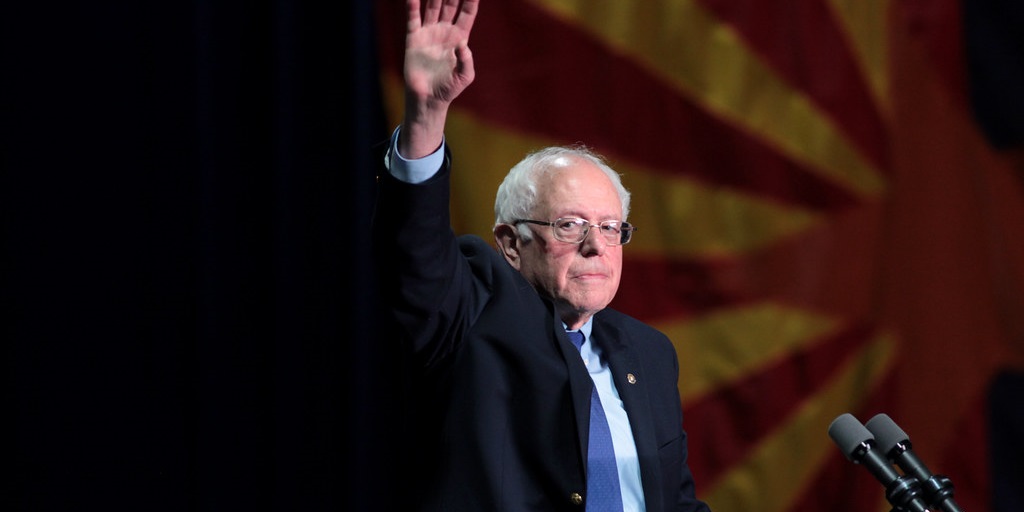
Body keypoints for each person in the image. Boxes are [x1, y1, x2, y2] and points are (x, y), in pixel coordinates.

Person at [371, 0, 711, 510]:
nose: (596, 245)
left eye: (610, 227)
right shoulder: (470, 315)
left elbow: (675, 501)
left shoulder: (649, 353)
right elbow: (415, 252)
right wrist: (426, 115)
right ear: (511, 243)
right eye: (570, 225)